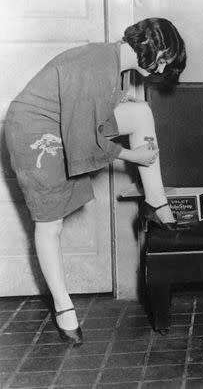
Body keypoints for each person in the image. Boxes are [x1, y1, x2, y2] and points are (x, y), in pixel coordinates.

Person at [4, 18, 187, 346]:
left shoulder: (114, 63)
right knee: (50, 225)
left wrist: (134, 140)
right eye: (164, 60)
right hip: (34, 130)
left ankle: (155, 203)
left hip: (66, 123)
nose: (162, 70)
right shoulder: (98, 66)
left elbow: (91, 120)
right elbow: (84, 140)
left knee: (140, 112)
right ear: (152, 47)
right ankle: (64, 309)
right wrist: (135, 156)